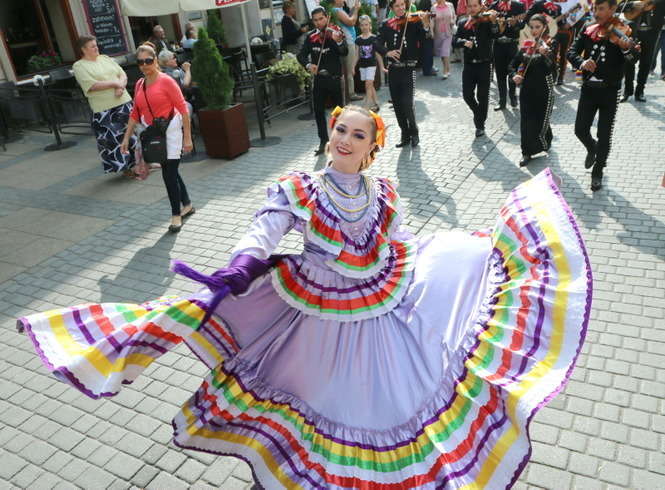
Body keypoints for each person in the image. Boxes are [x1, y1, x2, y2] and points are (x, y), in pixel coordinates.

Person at [17, 103, 592, 490]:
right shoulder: (300, 189)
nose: (345, 140)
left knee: (381, 400)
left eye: (358, 135)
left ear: (372, 148)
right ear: (330, 133)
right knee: (319, 399)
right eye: (341, 130)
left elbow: (398, 241)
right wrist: (244, 261)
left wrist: (440, 258)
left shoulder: (383, 192)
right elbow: (265, 227)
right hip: (317, 312)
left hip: (380, 304)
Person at [120, 44, 194, 232]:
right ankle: (187, 204)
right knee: (171, 171)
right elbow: (135, 113)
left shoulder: (167, 81)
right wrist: (126, 138)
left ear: (155, 61)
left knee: (168, 173)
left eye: (148, 60)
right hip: (155, 134)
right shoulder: (139, 84)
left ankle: (176, 215)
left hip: (172, 130)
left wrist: (187, 138)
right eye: (140, 62)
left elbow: (183, 110)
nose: (144, 65)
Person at [567, 0, 637, 191]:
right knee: (580, 129)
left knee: (604, 135)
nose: (596, 12)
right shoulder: (588, 28)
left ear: (613, 9)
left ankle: (597, 172)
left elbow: (633, 60)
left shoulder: (624, 29)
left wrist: (626, 48)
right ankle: (592, 147)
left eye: (601, 9)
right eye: (595, 8)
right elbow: (571, 52)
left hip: (610, 90)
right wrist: (581, 62)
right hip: (588, 88)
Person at [72, 35, 136, 176]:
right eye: (92, 46)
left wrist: (120, 86)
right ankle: (126, 168)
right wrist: (114, 83)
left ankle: (140, 163)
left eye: (96, 45)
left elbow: (122, 74)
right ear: (83, 49)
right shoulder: (79, 66)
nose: (96, 48)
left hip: (124, 102)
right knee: (114, 139)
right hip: (104, 109)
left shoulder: (105, 58)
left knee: (132, 134)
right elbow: (91, 85)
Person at [378, 0, 432, 147]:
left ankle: (414, 132)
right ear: (391, 8)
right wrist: (387, 52)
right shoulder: (386, 24)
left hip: (408, 68)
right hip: (393, 70)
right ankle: (405, 134)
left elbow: (425, 39)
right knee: (397, 105)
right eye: (397, 6)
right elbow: (377, 42)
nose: (401, 8)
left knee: (407, 103)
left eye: (403, 5)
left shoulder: (414, 22)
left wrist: (426, 25)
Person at [298, 7, 348, 155]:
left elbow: (344, 52)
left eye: (321, 19)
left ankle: (341, 141)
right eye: (315, 20)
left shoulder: (335, 32)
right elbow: (300, 55)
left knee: (339, 113)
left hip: (334, 79)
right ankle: (323, 141)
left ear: (327, 18)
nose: (319, 22)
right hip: (319, 79)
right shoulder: (311, 37)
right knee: (319, 112)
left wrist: (338, 42)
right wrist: (309, 65)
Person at [510, 14, 557, 166]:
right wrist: (515, 75)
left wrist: (545, 54)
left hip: (544, 89)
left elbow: (552, 67)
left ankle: (546, 139)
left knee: (540, 120)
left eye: (538, 27)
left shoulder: (550, 43)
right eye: (532, 27)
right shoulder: (526, 45)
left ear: (544, 27)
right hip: (527, 89)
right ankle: (526, 152)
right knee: (526, 122)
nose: (534, 30)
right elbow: (512, 65)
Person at [453, 0, 499, 137]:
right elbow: (454, 40)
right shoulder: (462, 22)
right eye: (470, 6)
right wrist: (463, 42)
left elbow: (496, 34)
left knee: (483, 96)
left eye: (475, 6)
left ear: (480, 6)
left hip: (484, 64)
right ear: (466, 7)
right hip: (469, 65)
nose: (472, 8)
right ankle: (478, 113)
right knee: (467, 95)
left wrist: (494, 22)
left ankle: (480, 125)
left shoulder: (487, 21)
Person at [620, 0, 665, 101]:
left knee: (646, 62)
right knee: (629, 61)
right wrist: (632, 4)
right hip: (633, 31)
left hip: (652, 32)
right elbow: (620, 7)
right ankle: (627, 91)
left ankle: (640, 92)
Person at [490, 0, 526, 109]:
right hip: (498, 45)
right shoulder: (494, 5)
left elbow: (523, 24)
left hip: (512, 44)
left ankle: (513, 97)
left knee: (512, 72)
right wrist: (494, 22)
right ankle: (502, 101)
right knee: (500, 74)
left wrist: (515, 24)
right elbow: (489, 26)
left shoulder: (518, 5)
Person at [333, 0, 363, 102]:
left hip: (349, 41)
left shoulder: (338, 9)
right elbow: (351, 22)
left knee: (349, 69)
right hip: (348, 42)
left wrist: (354, 9)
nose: (344, 0)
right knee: (350, 70)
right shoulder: (336, 10)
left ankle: (349, 93)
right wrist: (356, 9)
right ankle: (351, 93)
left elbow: (348, 18)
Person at [356, 15, 385, 110]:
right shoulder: (358, 39)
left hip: (371, 65)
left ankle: (367, 104)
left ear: (370, 25)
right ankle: (376, 103)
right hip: (362, 65)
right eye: (362, 25)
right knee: (370, 85)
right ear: (360, 26)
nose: (364, 27)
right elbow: (356, 54)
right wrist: (353, 66)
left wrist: (382, 66)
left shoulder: (374, 38)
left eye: (366, 24)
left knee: (368, 84)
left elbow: (378, 54)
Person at [432, 0, 457, 78]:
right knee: (442, 53)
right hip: (438, 33)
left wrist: (453, 21)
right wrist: (432, 32)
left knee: (445, 51)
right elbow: (432, 20)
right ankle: (447, 68)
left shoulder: (450, 5)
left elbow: (454, 16)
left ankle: (445, 71)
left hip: (448, 32)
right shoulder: (433, 8)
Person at [419, 0, 440, 75]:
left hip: (428, 23)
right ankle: (427, 68)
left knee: (429, 47)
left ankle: (429, 67)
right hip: (425, 23)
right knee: (427, 47)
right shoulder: (426, 2)